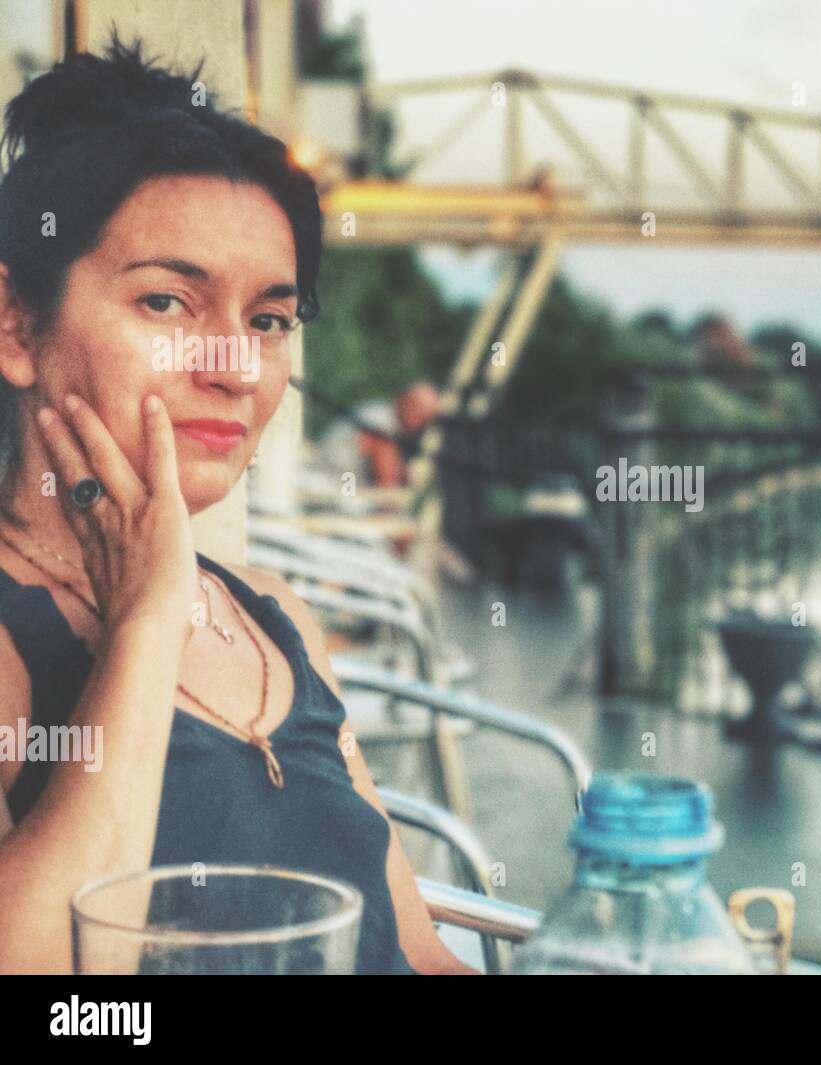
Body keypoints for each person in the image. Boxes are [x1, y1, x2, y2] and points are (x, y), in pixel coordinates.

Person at [0, 38, 475, 974]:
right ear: (17, 328)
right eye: (171, 303)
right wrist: (143, 621)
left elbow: (416, 953)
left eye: (267, 320)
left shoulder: (273, 615)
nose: (234, 367)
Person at [317, 380, 440, 488]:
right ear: (402, 399)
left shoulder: (384, 415)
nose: (418, 419)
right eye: (414, 407)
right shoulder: (381, 423)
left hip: (341, 483)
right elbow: (387, 482)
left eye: (425, 417)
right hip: (334, 485)